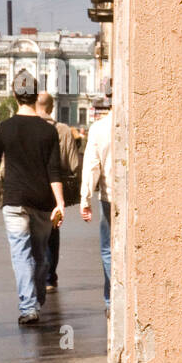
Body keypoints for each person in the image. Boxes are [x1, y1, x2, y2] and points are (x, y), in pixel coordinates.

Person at [0, 70, 65, 325]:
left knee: (21, 253)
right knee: (40, 252)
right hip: (43, 201)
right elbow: (54, 170)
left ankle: (29, 307)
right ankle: (36, 298)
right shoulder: (48, 131)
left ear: (14, 95)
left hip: (15, 199)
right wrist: (60, 202)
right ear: (35, 95)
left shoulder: (5, 128)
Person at [35, 90, 80, 292]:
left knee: (31, 232)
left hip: (30, 187)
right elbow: (73, 164)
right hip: (55, 190)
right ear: (52, 108)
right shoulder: (62, 130)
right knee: (52, 232)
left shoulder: (26, 128)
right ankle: (49, 278)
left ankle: (35, 275)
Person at [80, 92, 113, 314]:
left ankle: (112, 299)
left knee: (108, 249)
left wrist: (85, 199)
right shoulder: (135, 122)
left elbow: (92, 166)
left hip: (110, 197)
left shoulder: (99, 128)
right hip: (137, 198)